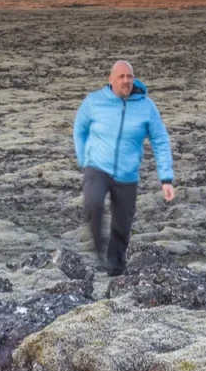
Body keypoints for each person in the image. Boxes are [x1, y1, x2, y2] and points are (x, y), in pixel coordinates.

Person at [73, 60, 176, 276]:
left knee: (122, 228)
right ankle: (98, 251)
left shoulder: (146, 106)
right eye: (121, 77)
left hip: (127, 175)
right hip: (97, 167)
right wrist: (84, 157)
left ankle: (115, 272)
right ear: (111, 80)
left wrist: (166, 178)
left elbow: (160, 140)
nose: (126, 81)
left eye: (129, 76)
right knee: (93, 204)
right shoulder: (94, 102)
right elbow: (79, 128)